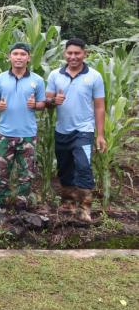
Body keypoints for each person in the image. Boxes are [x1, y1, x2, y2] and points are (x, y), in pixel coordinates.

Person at [46, 38, 107, 222]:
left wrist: (100, 134)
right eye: (70, 53)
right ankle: (68, 204)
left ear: (84, 54)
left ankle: (85, 208)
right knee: (65, 168)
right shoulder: (55, 75)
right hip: (61, 130)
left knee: (83, 167)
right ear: (65, 54)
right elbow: (47, 101)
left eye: (77, 53)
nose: (73, 57)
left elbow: (99, 106)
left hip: (84, 130)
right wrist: (53, 101)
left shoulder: (94, 76)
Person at [0, 42, 46, 211]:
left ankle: (22, 205)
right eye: (15, 54)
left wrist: (35, 104)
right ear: (9, 57)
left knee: (26, 173)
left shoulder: (37, 80)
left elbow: (43, 103)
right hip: (5, 134)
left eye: (23, 54)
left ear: (28, 58)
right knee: (2, 172)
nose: (19, 57)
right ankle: (1, 204)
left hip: (28, 134)